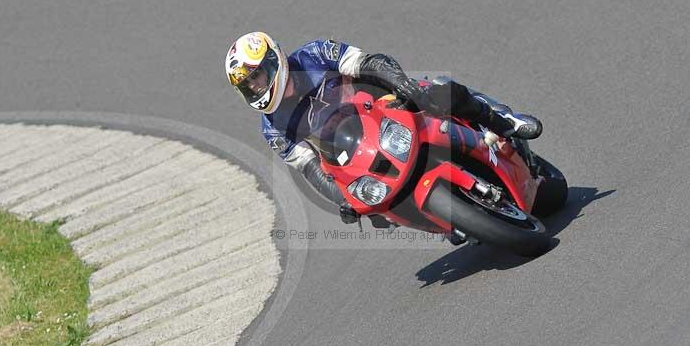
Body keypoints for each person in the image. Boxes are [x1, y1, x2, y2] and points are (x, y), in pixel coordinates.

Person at [225, 32, 542, 223]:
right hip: (357, 150)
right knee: (376, 209)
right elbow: (311, 170)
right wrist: (344, 200)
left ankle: (504, 119)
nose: (256, 86)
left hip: (386, 104)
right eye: (248, 85)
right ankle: (446, 218)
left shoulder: (313, 54)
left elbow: (370, 63)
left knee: (440, 91)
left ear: (273, 61)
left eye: (257, 76)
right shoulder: (272, 129)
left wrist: (407, 89)